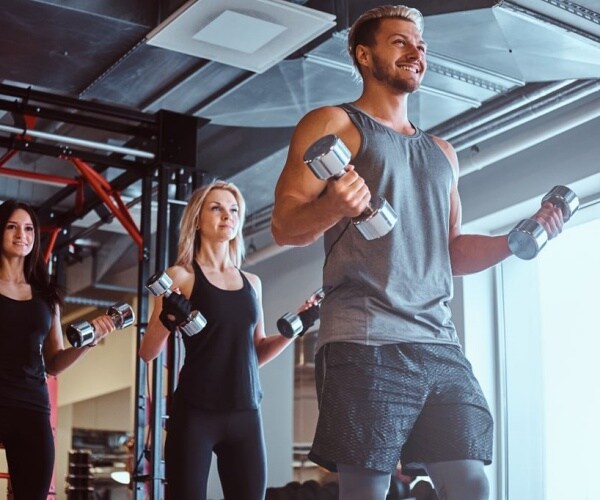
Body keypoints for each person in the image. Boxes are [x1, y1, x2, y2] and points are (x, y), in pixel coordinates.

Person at [271, 5, 565, 500]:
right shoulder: (334, 122)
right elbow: (284, 225)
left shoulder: (441, 152)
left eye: (421, 45)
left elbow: (451, 250)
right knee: (368, 489)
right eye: (400, 42)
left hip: (438, 341)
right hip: (365, 336)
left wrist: (517, 238)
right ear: (364, 56)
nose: (417, 51)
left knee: (471, 484)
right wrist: (334, 207)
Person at [139, 180, 301, 500]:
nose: (227, 216)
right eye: (217, 208)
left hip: (245, 413)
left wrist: (290, 332)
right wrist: (166, 318)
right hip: (196, 413)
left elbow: (253, 352)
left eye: (233, 210)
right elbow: (148, 351)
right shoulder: (180, 276)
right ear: (198, 219)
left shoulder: (251, 283)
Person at [0, 199, 116, 500]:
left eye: (28, 229)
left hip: (31, 408)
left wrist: (89, 342)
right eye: (12, 226)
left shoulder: (47, 296)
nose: (21, 235)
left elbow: (52, 362)